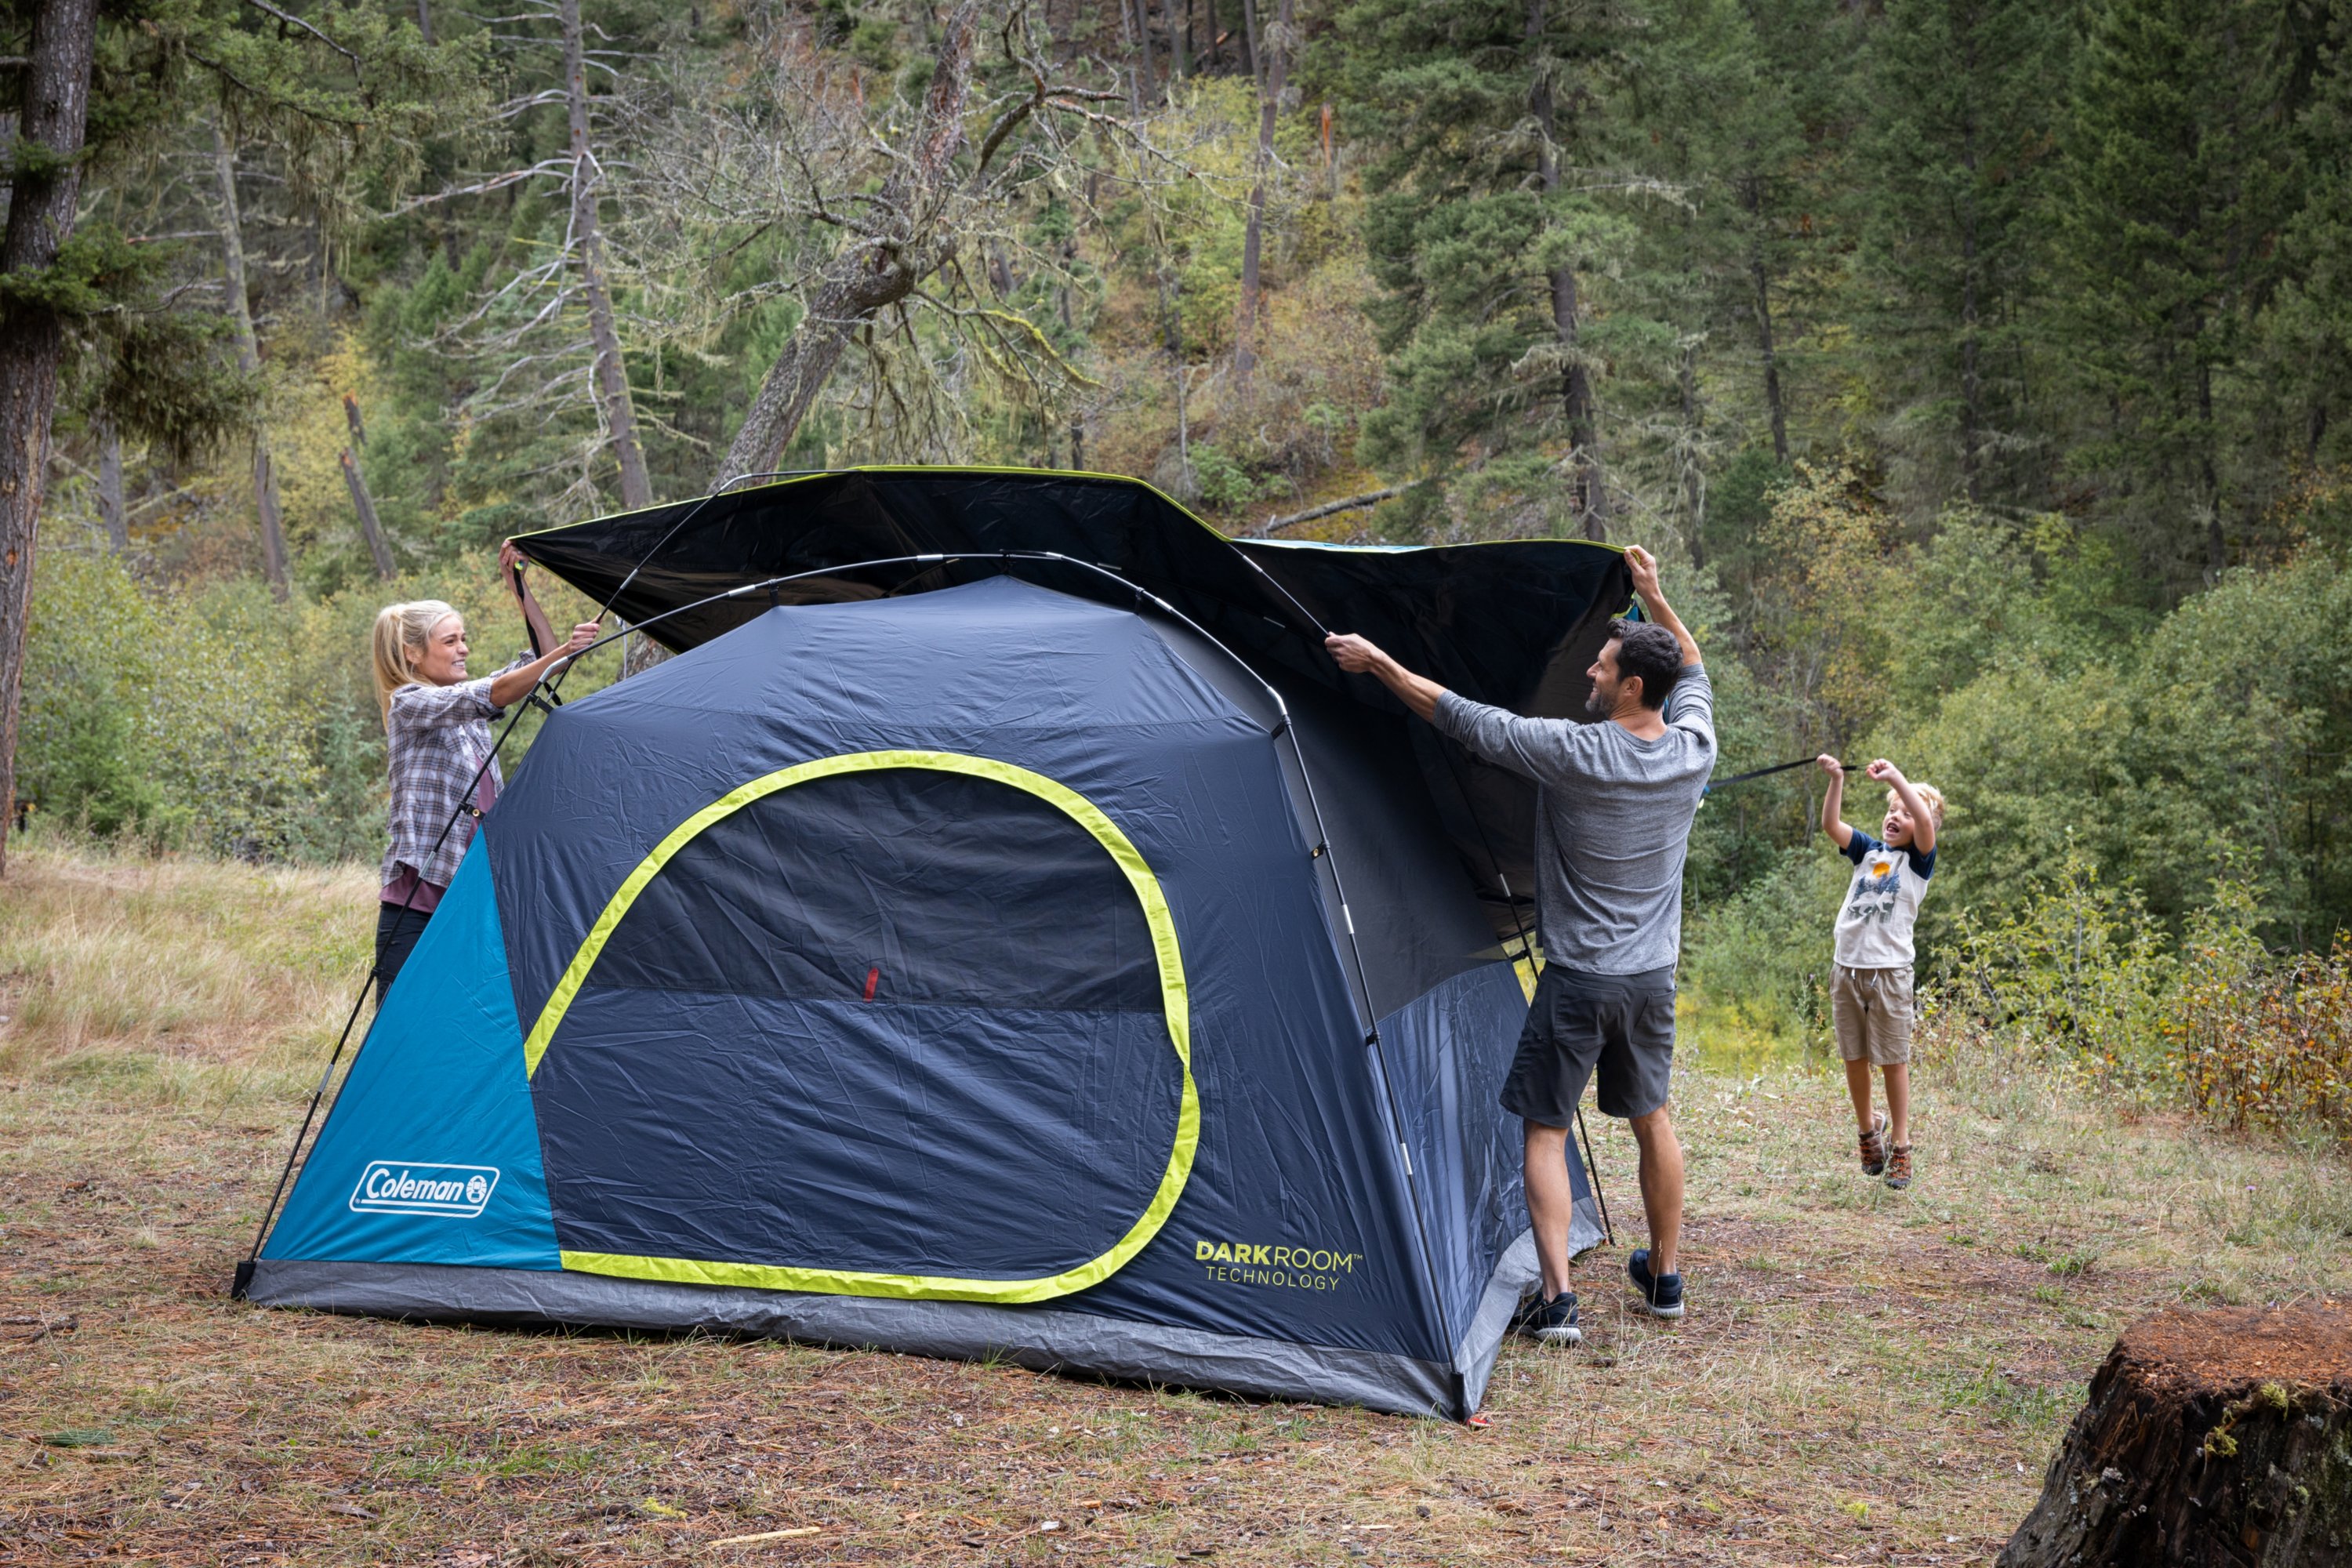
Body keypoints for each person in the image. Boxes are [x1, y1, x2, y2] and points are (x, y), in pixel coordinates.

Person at [1324, 545, 1714, 1345]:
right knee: (1653, 1119)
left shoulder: (1574, 752)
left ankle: (1560, 1301)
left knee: (1544, 1127)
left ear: (1634, 685)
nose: (1590, 677)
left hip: (1578, 979)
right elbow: (1693, 663)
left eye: (1603, 668)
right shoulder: (1693, 748)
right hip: (1648, 981)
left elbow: (1459, 714)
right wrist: (1655, 596)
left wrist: (1377, 661)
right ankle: (1665, 1277)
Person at [371, 550, 598, 1002]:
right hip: (419, 898)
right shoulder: (410, 703)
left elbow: (545, 664)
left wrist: (520, 590)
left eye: (464, 639)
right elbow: (493, 692)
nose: (464, 649)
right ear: (413, 653)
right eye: (451, 641)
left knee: (470, 1019)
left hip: (474, 890)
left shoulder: (468, 707)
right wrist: (562, 653)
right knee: (401, 1021)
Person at [1815, 754, 1943, 1191]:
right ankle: (1869, 1133)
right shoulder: (1868, 851)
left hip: (1889, 975)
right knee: (1854, 1057)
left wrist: (1898, 779)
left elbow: (1924, 822)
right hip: (1846, 970)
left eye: (1905, 813)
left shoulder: (1919, 862)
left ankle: (1902, 1146)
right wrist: (1836, 780)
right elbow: (1832, 825)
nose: (1897, 816)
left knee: (1892, 1061)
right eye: (1892, 810)